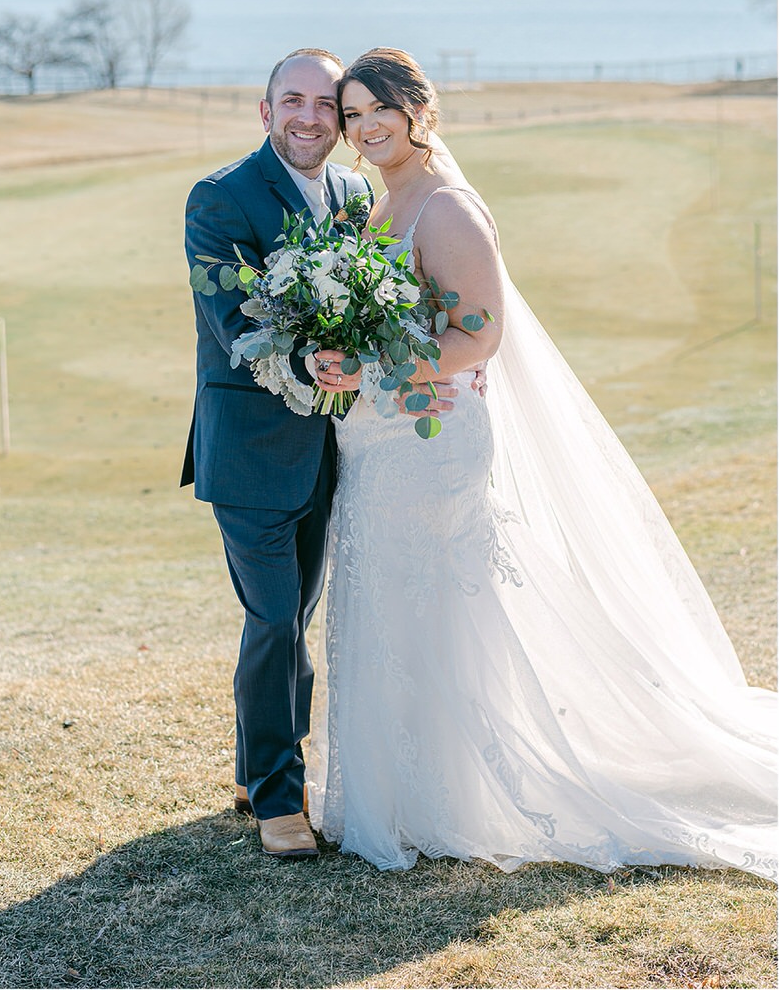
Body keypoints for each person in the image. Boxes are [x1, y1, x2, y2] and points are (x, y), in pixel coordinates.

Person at [306, 48, 777, 880]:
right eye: (352, 114)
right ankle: (396, 793)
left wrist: (379, 367)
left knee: (437, 612)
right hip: (375, 444)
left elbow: (480, 336)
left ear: (418, 110)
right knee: (384, 608)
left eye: (379, 108)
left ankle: (453, 798)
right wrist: (341, 358)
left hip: (430, 446)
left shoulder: (447, 208)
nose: (365, 126)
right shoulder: (378, 205)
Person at [182, 48, 478, 859]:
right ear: (266, 111)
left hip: (340, 448)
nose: (311, 117)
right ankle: (280, 800)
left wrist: (423, 367)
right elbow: (235, 325)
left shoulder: (354, 195)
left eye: (327, 105)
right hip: (251, 451)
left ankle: (252, 769)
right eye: (294, 101)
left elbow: (384, 312)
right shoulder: (219, 197)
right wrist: (309, 360)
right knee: (276, 617)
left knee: (298, 615)